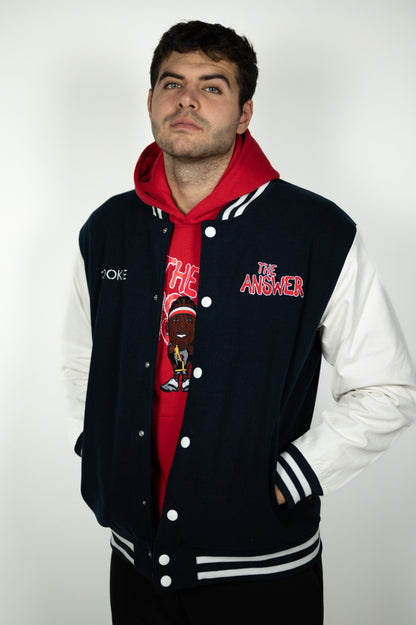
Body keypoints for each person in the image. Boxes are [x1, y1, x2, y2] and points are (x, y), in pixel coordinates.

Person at [62, 20, 416, 625]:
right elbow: (82, 361)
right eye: (172, 83)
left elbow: (387, 387)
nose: (187, 100)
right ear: (150, 101)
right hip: (136, 560)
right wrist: (99, 449)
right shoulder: (107, 230)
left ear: (245, 112)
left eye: (212, 86)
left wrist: (288, 479)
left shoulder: (316, 233)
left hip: (264, 571)